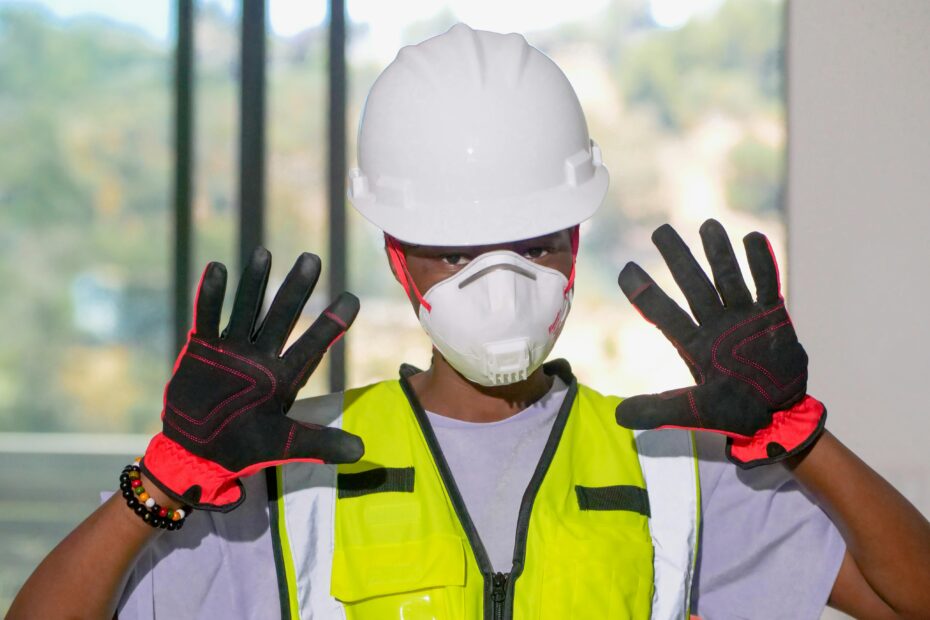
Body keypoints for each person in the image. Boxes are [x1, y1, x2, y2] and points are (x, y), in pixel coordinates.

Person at [9, 24, 930, 620]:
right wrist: (162, 482)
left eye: (531, 243)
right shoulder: (283, 474)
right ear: (401, 258)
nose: (501, 284)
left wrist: (805, 442)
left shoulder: (675, 470)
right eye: (459, 251)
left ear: (574, 243)